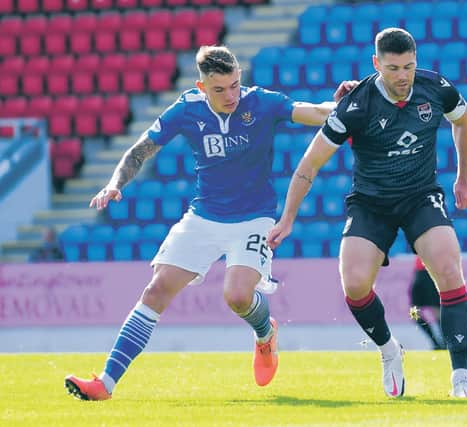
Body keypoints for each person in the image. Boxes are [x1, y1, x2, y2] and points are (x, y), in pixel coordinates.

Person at [64, 45, 352, 401]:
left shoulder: (261, 102)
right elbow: (140, 150)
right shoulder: (186, 109)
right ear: (202, 88)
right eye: (219, 89)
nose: (230, 95)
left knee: (237, 295)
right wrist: (114, 184)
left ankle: (265, 334)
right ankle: (105, 383)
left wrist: (341, 107)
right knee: (155, 290)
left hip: (254, 218)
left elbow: (312, 111)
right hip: (203, 217)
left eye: (234, 85)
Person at [268, 27, 467, 399]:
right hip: (371, 202)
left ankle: (461, 379)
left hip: (420, 195)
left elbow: (463, 122)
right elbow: (309, 164)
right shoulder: (356, 104)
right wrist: (287, 218)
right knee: (353, 283)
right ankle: (389, 350)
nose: (402, 76)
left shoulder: (437, 87)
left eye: (409, 67)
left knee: (448, 267)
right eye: (393, 67)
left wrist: (465, 178)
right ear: (376, 63)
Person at [408, 256, 445, 350]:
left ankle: (444, 343)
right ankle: (436, 343)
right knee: (414, 312)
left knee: (436, 311)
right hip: (419, 273)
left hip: (431, 273)